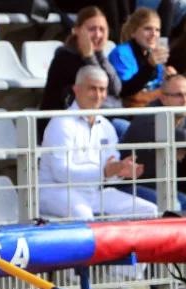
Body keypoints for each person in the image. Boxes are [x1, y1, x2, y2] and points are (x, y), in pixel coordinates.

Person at [38, 65, 158, 221]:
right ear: (76, 89)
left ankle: (126, 247)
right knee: (84, 216)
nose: (98, 95)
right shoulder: (61, 123)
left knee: (148, 210)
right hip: (55, 191)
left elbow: (109, 170)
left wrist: (121, 171)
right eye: (92, 89)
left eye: (102, 89)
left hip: (93, 193)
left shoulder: (106, 126)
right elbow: (61, 173)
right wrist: (105, 172)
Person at [120, 73, 186, 212]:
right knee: (174, 208)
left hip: (164, 188)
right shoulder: (149, 119)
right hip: (132, 186)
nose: (185, 100)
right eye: (178, 95)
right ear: (163, 98)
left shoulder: (181, 116)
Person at [109, 7, 170, 107]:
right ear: (133, 32)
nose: (154, 34)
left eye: (157, 30)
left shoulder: (152, 53)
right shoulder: (121, 53)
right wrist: (149, 66)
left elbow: (157, 87)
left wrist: (170, 78)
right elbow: (128, 93)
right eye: (147, 28)